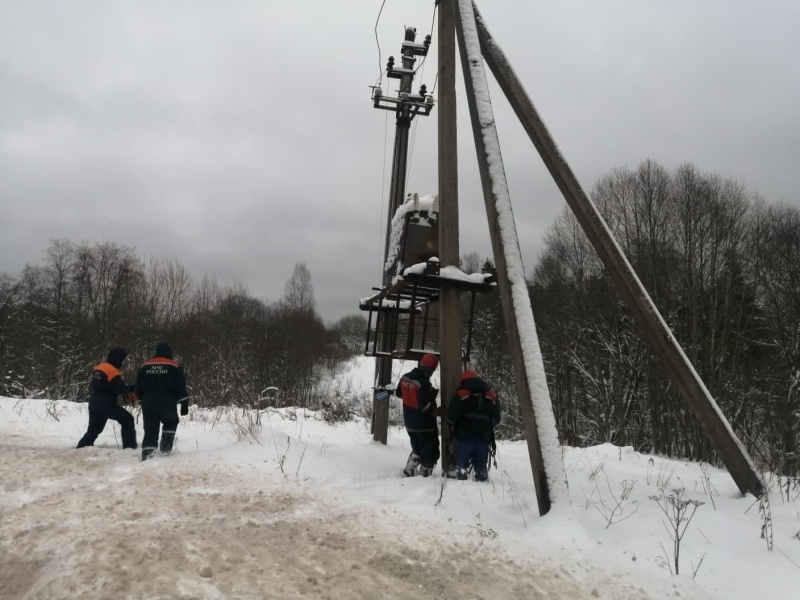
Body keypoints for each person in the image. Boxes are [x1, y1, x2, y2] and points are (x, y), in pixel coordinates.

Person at [135, 341, 189, 461]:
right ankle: (165, 451)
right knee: (171, 422)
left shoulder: (145, 366)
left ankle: (148, 455)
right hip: (167, 402)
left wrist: (139, 399)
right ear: (170, 352)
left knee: (150, 429)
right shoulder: (174, 366)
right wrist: (184, 402)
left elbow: (138, 386)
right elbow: (180, 385)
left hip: (148, 402)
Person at [76, 347, 138, 450]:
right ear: (119, 359)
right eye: (123, 359)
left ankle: (82, 447)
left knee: (94, 429)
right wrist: (134, 388)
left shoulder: (99, 367)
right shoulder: (112, 371)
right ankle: (129, 447)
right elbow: (120, 389)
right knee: (128, 420)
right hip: (106, 403)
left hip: (94, 402)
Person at [447, 370, 501, 482]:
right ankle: (481, 492)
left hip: (464, 436)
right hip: (484, 437)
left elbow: (452, 415)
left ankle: (461, 491)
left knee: (462, 468)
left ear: (464, 381)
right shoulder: (491, 395)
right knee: (481, 470)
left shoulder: (461, 393)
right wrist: (486, 422)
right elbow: (496, 418)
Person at [396, 353, 440, 477]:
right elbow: (425, 406)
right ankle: (424, 478)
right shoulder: (424, 384)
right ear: (430, 370)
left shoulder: (405, 378)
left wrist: (412, 397)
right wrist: (432, 399)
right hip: (425, 425)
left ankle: (408, 471)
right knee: (430, 452)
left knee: (417, 450)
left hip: (409, 423)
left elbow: (399, 394)